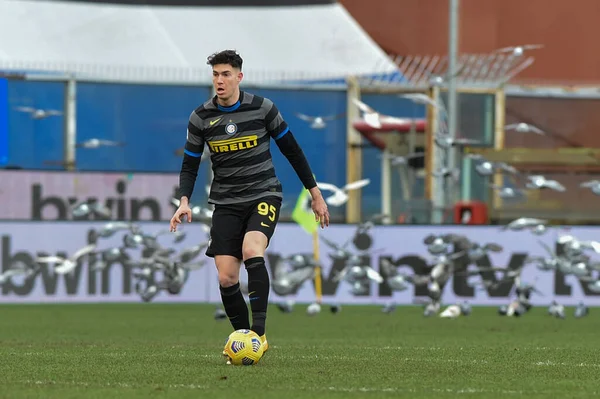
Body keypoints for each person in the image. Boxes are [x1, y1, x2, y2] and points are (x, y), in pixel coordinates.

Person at [169, 49, 330, 354]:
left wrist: (315, 193)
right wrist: (184, 201)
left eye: (226, 74)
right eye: (215, 74)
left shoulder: (263, 108)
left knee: (251, 249)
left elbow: (292, 151)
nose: (220, 80)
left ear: (239, 77)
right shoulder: (200, 117)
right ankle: (244, 337)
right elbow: (190, 164)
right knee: (227, 276)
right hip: (226, 202)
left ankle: (258, 335)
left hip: (263, 193)